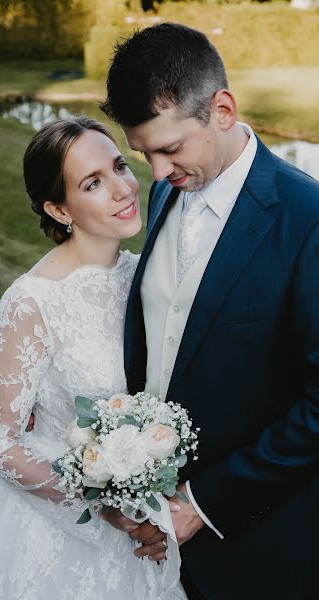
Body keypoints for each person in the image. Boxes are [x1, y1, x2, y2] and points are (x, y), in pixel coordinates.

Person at [100, 23, 319, 600]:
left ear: (222, 109)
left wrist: (203, 503)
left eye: (170, 149)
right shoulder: (167, 189)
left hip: (260, 547)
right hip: (156, 540)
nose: (157, 173)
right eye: (143, 153)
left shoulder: (307, 217)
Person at [0, 116, 187, 600]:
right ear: (58, 209)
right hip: (56, 537)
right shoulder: (31, 304)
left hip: (155, 521)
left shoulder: (146, 274)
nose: (124, 189)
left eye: (120, 167)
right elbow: (1, 443)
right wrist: (107, 507)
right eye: (93, 183)